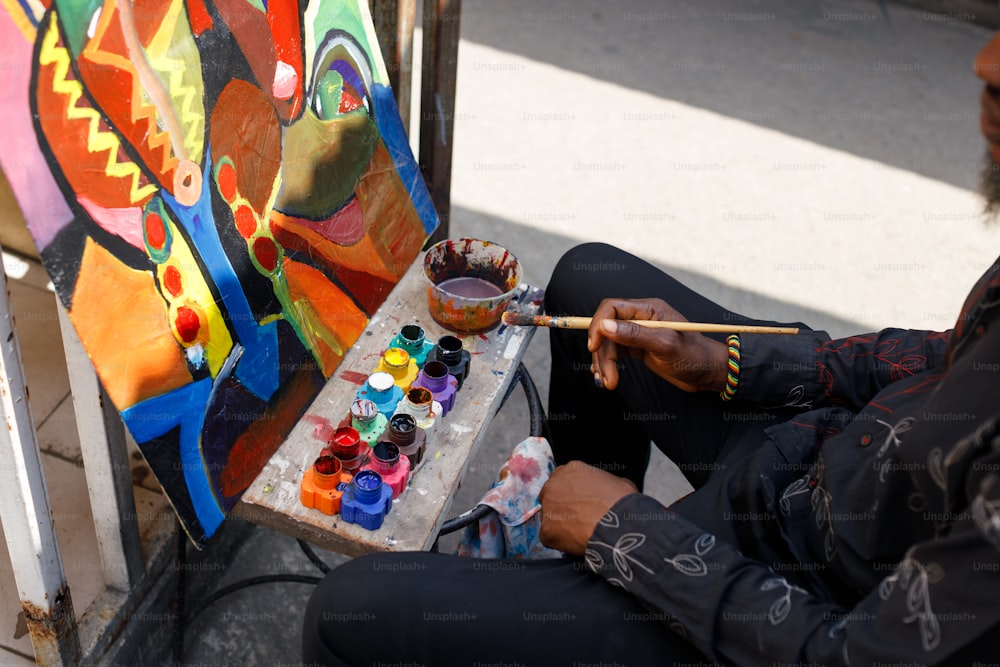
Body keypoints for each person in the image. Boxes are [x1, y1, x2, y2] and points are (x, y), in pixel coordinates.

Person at [301, 31, 1000, 667]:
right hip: (808, 467)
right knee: (589, 282)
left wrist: (628, 534)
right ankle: (560, 584)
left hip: (785, 599)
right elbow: (924, 359)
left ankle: (584, 594)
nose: (985, 63)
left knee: (345, 616)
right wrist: (722, 360)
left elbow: (849, 655)